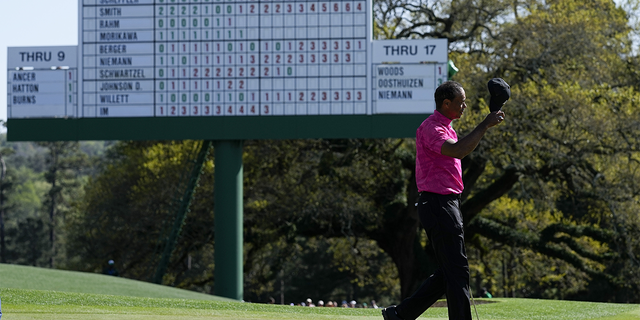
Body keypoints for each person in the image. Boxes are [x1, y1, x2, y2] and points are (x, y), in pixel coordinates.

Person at [382, 80, 507, 320]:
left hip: (447, 203)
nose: (465, 106)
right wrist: (485, 124)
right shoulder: (431, 128)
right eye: (461, 102)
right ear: (446, 103)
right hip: (438, 203)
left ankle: (399, 315)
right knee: (458, 271)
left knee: (448, 272)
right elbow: (458, 150)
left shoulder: (448, 127)